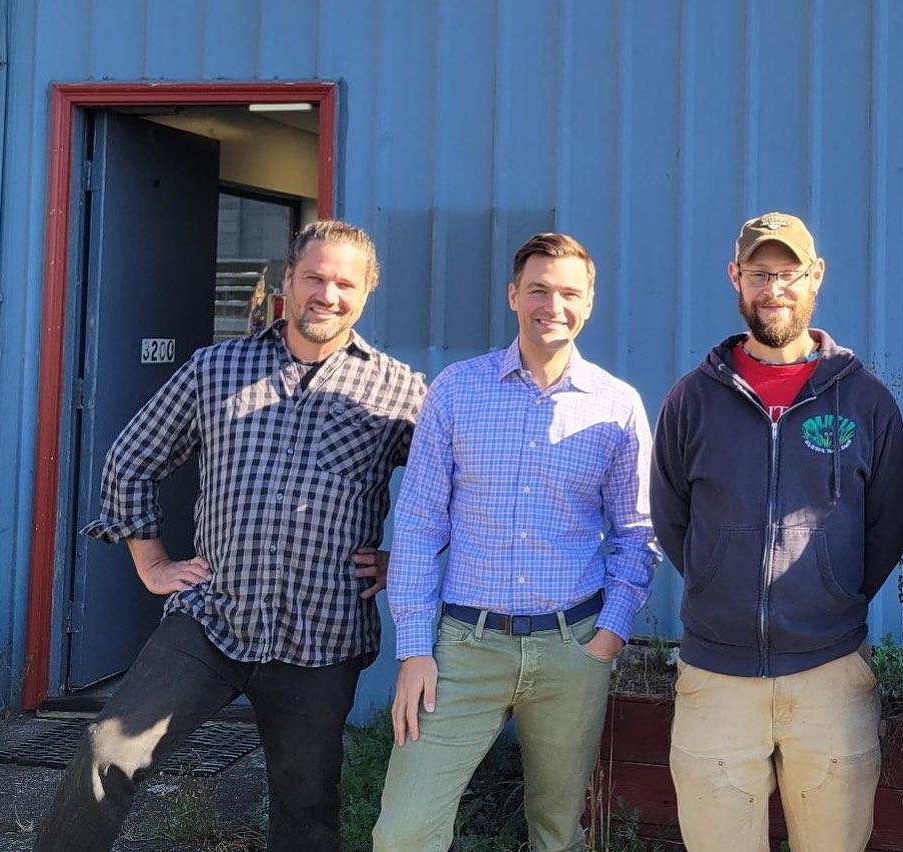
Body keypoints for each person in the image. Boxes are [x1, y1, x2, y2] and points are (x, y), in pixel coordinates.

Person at [35, 220, 426, 852]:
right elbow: (131, 459)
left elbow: (454, 491)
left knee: (307, 807)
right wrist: (151, 561)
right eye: (314, 278)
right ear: (287, 284)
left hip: (321, 634)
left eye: (344, 283)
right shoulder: (216, 368)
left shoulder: (399, 390)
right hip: (211, 618)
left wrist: (400, 561)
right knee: (106, 752)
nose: (327, 294)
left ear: (366, 293)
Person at [373, 232, 658, 852]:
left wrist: (609, 630)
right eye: (537, 290)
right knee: (402, 833)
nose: (551, 305)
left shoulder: (617, 405)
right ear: (513, 295)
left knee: (557, 833)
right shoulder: (456, 389)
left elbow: (638, 533)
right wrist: (415, 648)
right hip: (462, 651)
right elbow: (419, 523)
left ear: (590, 303)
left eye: (568, 293)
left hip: (572, 649)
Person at [650, 212, 903, 852]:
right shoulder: (692, 400)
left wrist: (833, 593)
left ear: (815, 276)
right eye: (760, 274)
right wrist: (720, 583)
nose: (775, 290)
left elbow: (888, 523)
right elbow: (671, 515)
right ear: (736, 278)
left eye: (789, 273)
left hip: (830, 672)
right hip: (716, 676)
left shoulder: (866, 401)